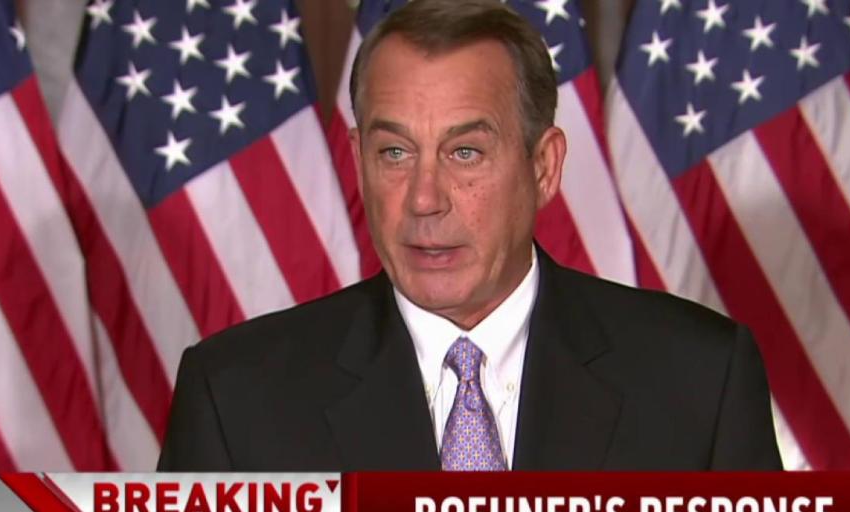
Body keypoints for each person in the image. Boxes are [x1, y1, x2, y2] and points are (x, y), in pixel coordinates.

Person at [157, 0, 782, 472]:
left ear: (544, 167)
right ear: (358, 160)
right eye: (395, 152)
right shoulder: (235, 398)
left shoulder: (700, 381)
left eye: (465, 153)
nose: (424, 199)